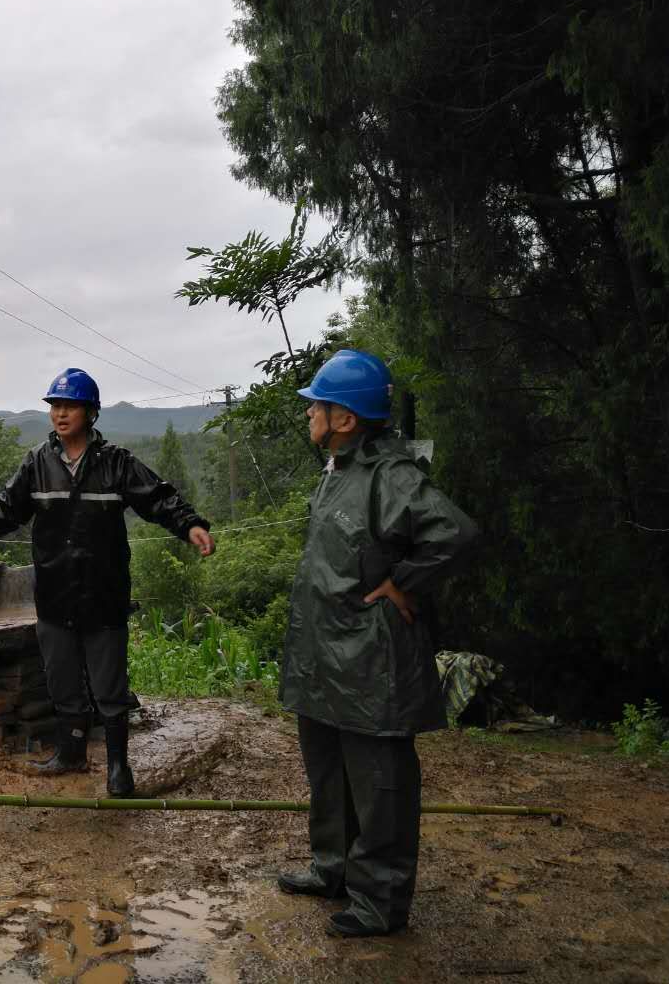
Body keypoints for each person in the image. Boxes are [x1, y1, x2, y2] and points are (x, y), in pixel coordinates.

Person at [0, 368, 214, 797]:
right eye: (55, 406)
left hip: (104, 594)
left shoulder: (116, 463)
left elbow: (158, 498)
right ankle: (71, 754)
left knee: (109, 685)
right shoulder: (37, 463)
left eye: (70, 406)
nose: (60, 414)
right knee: (62, 679)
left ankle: (118, 768)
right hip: (54, 592)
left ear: (91, 413)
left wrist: (190, 525)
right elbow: (7, 509)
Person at [277, 349, 478, 939]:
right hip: (324, 652)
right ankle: (332, 869)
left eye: (317, 404)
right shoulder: (339, 467)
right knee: (329, 772)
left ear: (344, 418)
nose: (309, 412)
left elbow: (456, 533)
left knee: (379, 781)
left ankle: (380, 901)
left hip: (370, 657)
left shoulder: (391, 475)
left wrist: (404, 582)